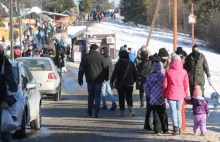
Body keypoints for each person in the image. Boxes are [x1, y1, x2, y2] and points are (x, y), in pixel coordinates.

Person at [78, 44, 109, 118]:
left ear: (90, 49)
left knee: (90, 96)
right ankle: (97, 113)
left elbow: (81, 69)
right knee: (97, 96)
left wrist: (80, 78)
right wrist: (106, 77)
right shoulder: (101, 57)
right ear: (96, 49)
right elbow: (106, 68)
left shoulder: (86, 57)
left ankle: (89, 111)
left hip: (90, 79)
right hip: (99, 79)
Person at [163, 59, 189, 135]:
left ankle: (175, 128)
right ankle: (180, 128)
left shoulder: (168, 71)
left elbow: (165, 84)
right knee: (179, 111)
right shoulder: (184, 72)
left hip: (171, 93)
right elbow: (186, 84)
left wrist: (164, 94)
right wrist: (184, 92)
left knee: (173, 111)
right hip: (180, 94)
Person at [110, 50, 137, 117]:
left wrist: (111, 81)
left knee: (121, 97)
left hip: (120, 83)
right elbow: (135, 73)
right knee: (129, 96)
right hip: (130, 83)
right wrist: (134, 80)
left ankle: (122, 112)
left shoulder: (118, 64)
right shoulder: (131, 64)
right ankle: (130, 106)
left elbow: (114, 74)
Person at [0, 44, 18, 141]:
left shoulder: (5, 66)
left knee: (5, 134)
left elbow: (13, 89)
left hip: (2, 107)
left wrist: (7, 102)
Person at [144, 61, 168, 134]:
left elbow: (146, 88)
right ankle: (165, 129)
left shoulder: (150, 77)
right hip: (162, 98)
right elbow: (166, 86)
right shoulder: (164, 76)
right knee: (163, 113)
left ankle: (157, 130)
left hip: (153, 99)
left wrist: (149, 95)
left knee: (156, 114)